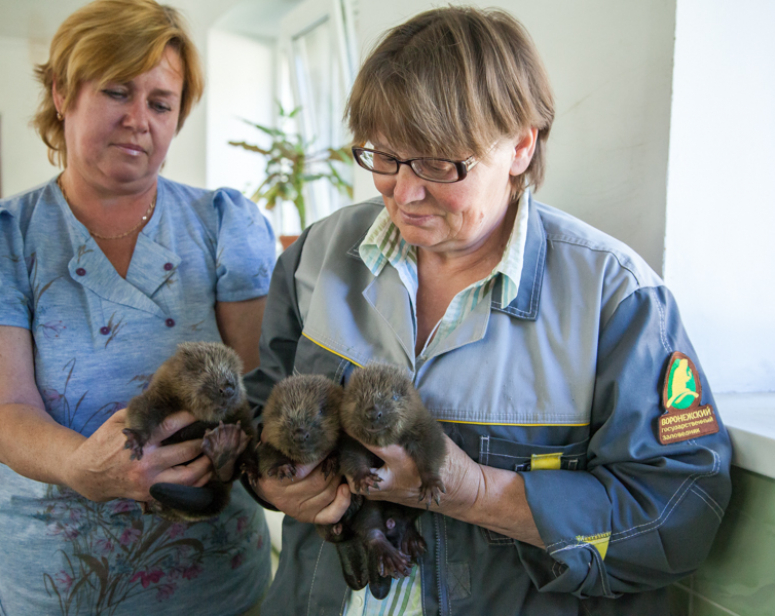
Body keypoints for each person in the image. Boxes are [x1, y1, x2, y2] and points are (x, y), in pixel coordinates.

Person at [244, 6, 732, 616]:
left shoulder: (617, 301)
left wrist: (474, 492)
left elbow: (680, 513)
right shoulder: (316, 257)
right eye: (384, 157)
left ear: (521, 146)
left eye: (438, 164)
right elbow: (259, 418)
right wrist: (276, 481)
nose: (404, 191)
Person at [0, 1, 275, 614]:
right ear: (62, 92)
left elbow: (256, 384)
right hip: (63, 577)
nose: (139, 120)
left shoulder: (224, 226)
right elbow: (3, 412)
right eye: (117, 91)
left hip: (215, 566)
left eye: (161, 103)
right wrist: (81, 467)